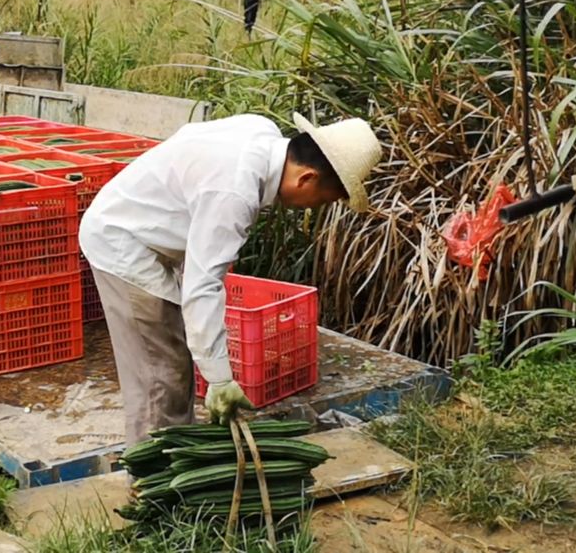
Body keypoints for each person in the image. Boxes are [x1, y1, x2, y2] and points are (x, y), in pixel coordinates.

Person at [78, 112, 382, 446]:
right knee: (159, 374)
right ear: (307, 178)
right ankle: (153, 483)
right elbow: (202, 286)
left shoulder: (260, 131)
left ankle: (178, 457)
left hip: (143, 228)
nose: (313, 208)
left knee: (173, 360)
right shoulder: (235, 191)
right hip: (124, 243)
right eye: (322, 201)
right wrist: (220, 380)